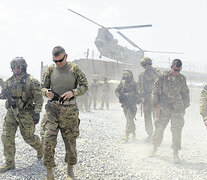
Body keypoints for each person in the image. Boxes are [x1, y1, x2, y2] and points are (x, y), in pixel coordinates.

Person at [41, 46, 88, 180]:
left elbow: (85, 86)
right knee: (48, 139)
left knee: (70, 141)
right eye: (55, 61)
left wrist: (73, 92)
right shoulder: (50, 69)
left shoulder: (74, 69)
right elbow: (42, 86)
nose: (58, 63)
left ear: (66, 56)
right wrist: (46, 92)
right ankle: (49, 172)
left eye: (60, 60)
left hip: (69, 110)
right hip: (53, 109)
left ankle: (70, 171)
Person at [0, 57, 43, 173]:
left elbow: (39, 98)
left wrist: (37, 112)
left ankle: (40, 147)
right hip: (11, 113)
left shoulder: (32, 81)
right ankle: (9, 163)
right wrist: (3, 94)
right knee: (6, 136)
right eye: (13, 67)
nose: (15, 69)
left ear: (23, 67)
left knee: (28, 137)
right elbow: (3, 95)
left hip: (26, 113)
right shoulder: (9, 81)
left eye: (17, 67)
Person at [148, 59, 190, 163]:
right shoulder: (163, 77)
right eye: (175, 69)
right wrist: (156, 105)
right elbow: (155, 91)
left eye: (179, 70)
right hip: (164, 107)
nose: (177, 72)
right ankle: (154, 148)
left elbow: (185, 93)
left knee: (177, 130)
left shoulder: (182, 79)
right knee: (159, 128)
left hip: (177, 108)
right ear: (171, 67)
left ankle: (175, 153)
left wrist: (184, 107)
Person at [138, 57, 161, 142]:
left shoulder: (156, 72)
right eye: (144, 65)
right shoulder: (142, 75)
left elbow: (161, 82)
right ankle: (150, 134)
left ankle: (157, 135)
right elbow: (139, 86)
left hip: (155, 98)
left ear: (150, 64)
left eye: (147, 64)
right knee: (147, 117)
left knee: (156, 117)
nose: (146, 67)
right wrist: (140, 95)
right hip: (146, 99)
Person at [115, 70, 140, 142]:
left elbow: (139, 93)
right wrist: (120, 96)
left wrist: (131, 95)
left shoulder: (135, 84)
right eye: (125, 78)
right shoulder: (122, 83)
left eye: (127, 78)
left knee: (129, 118)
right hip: (125, 104)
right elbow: (116, 91)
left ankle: (127, 134)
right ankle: (133, 133)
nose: (126, 80)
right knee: (129, 119)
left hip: (132, 104)